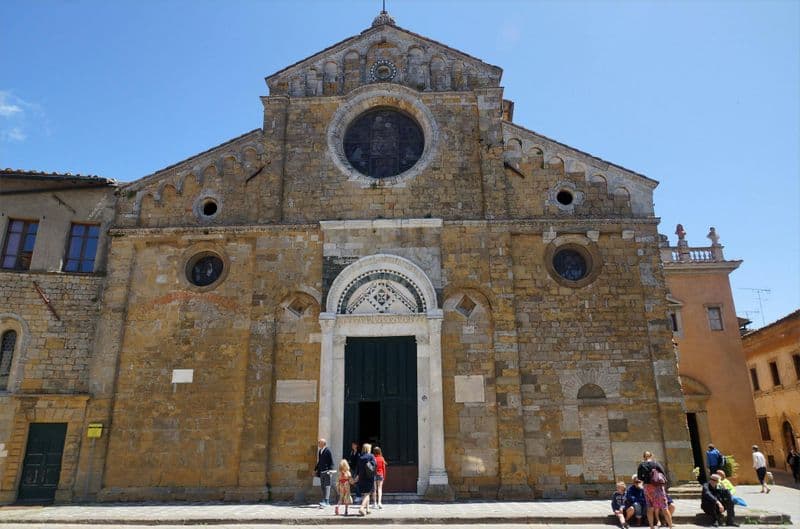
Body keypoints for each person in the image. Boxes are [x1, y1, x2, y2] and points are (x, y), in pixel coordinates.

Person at [637, 451, 672, 529]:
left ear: (643, 457)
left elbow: (639, 477)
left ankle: (652, 527)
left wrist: (646, 479)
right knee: (664, 507)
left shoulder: (641, 465)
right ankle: (670, 527)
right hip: (658, 487)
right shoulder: (656, 463)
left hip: (647, 487)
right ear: (651, 456)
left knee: (650, 507)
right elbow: (663, 473)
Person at [354, 442, 377, 516]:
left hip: (361, 478)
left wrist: (357, 476)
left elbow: (357, 468)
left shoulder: (360, 457)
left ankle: (368, 509)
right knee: (367, 494)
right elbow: (374, 465)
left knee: (365, 493)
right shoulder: (371, 456)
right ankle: (361, 508)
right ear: (368, 449)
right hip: (369, 477)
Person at [314, 438, 334, 507]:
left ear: (323, 443)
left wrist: (330, 471)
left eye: (319, 442)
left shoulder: (328, 451)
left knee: (327, 486)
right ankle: (324, 500)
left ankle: (327, 501)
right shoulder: (320, 451)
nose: (318, 443)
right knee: (323, 486)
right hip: (321, 471)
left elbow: (331, 462)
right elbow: (319, 461)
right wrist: (315, 469)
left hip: (327, 471)